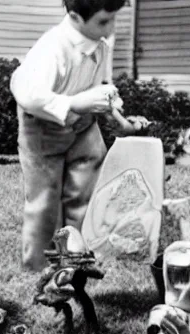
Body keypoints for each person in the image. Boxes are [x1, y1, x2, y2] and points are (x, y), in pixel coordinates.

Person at [11, 0, 145, 271]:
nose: (110, 29)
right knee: (45, 201)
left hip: (83, 126)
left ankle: (77, 256)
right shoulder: (53, 48)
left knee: (88, 190)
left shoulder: (100, 45)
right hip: (43, 127)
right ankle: (40, 267)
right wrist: (73, 104)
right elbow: (26, 93)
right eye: (104, 22)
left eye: (113, 19)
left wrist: (120, 121)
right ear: (75, 16)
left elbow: (102, 90)